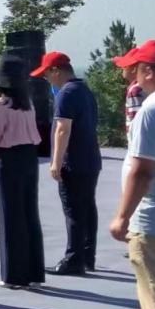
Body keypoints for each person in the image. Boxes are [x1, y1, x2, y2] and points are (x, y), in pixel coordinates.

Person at [109, 39, 155, 309]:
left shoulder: (152, 109)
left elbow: (142, 171)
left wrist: (122, 216)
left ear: (148, 71)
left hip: (154, 218)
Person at [33, 51, 101, 275]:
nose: (46, 79)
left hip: (73, 161)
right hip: (90, 159)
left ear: (56, 71)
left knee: (73, 210)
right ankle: (87, 255)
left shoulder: (66, 93)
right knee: (87, 208)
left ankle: (73, 259)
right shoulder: (84, 90)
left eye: (46, 74)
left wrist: (56, 161)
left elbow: (62, 129)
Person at [0, 55, 46, 289]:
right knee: (29, 213)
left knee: (10, 215)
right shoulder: (28, 104)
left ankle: (14, 275)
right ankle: (34, 271)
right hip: (29, 157)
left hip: (8, 159)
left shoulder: (0, 105)